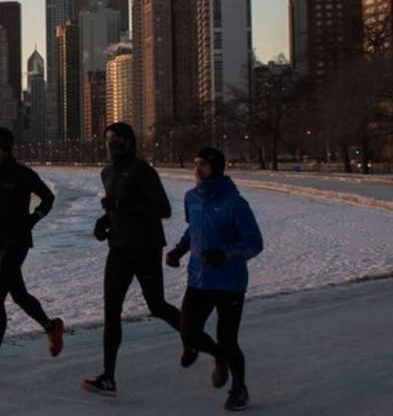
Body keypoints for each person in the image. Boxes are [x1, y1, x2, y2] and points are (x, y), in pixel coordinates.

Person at [82, 122, 211, 397]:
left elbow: (163, 209)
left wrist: (123, 207)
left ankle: (205, 345)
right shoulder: (107, 172)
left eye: (117, 139)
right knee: (111, 312)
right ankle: (108, 377)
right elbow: (115, 208)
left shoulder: (142, 171)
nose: (111, 144)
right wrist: (103, 221)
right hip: (118, 249)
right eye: (108, 140)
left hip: (145, 247)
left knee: (158, 306)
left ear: (129, 142)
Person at [165, 148, 263, 412]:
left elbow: (255, 243)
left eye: (204, 165)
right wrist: (179, 250)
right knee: (188, 331)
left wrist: (225, 255)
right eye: (195, 164)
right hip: (198, 279)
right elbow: (193, 229)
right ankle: (217, 356)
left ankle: (239, 388)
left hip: (229, 282)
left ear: (217, 168)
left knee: (228, 339)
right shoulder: (191, 198)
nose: (197, 169)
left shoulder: (235, 203)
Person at [0, 126, 65, 380]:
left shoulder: (22, 174)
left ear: (7, 151)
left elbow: (48, 199)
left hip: (17, 242)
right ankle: (50, 326)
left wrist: (34, 218)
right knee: (19, 295)